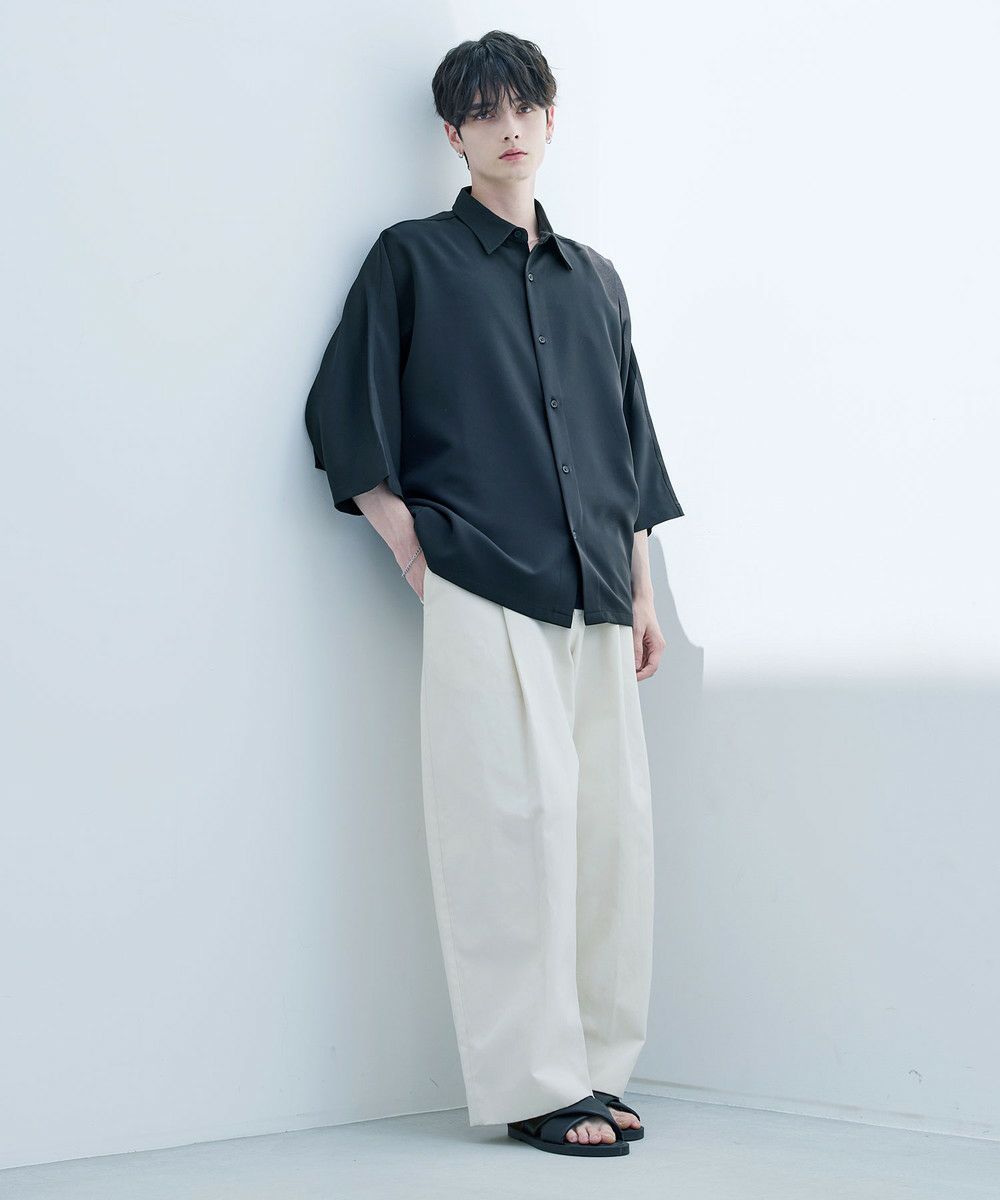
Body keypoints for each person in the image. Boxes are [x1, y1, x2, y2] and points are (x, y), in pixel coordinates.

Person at [304, 30, 685, 1158]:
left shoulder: (597, 280)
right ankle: (534, 1084)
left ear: (550, 121)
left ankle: (597, 1069)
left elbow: (629, 447)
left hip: (597, 590)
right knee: (511, 835)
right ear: (453, 134)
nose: (507, 127)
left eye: (524, 107)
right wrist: (412, 548)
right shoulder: (411, 260)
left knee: (611, 838)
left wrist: (644, 593)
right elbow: (342, 412)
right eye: (483, 111)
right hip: (485, 579)